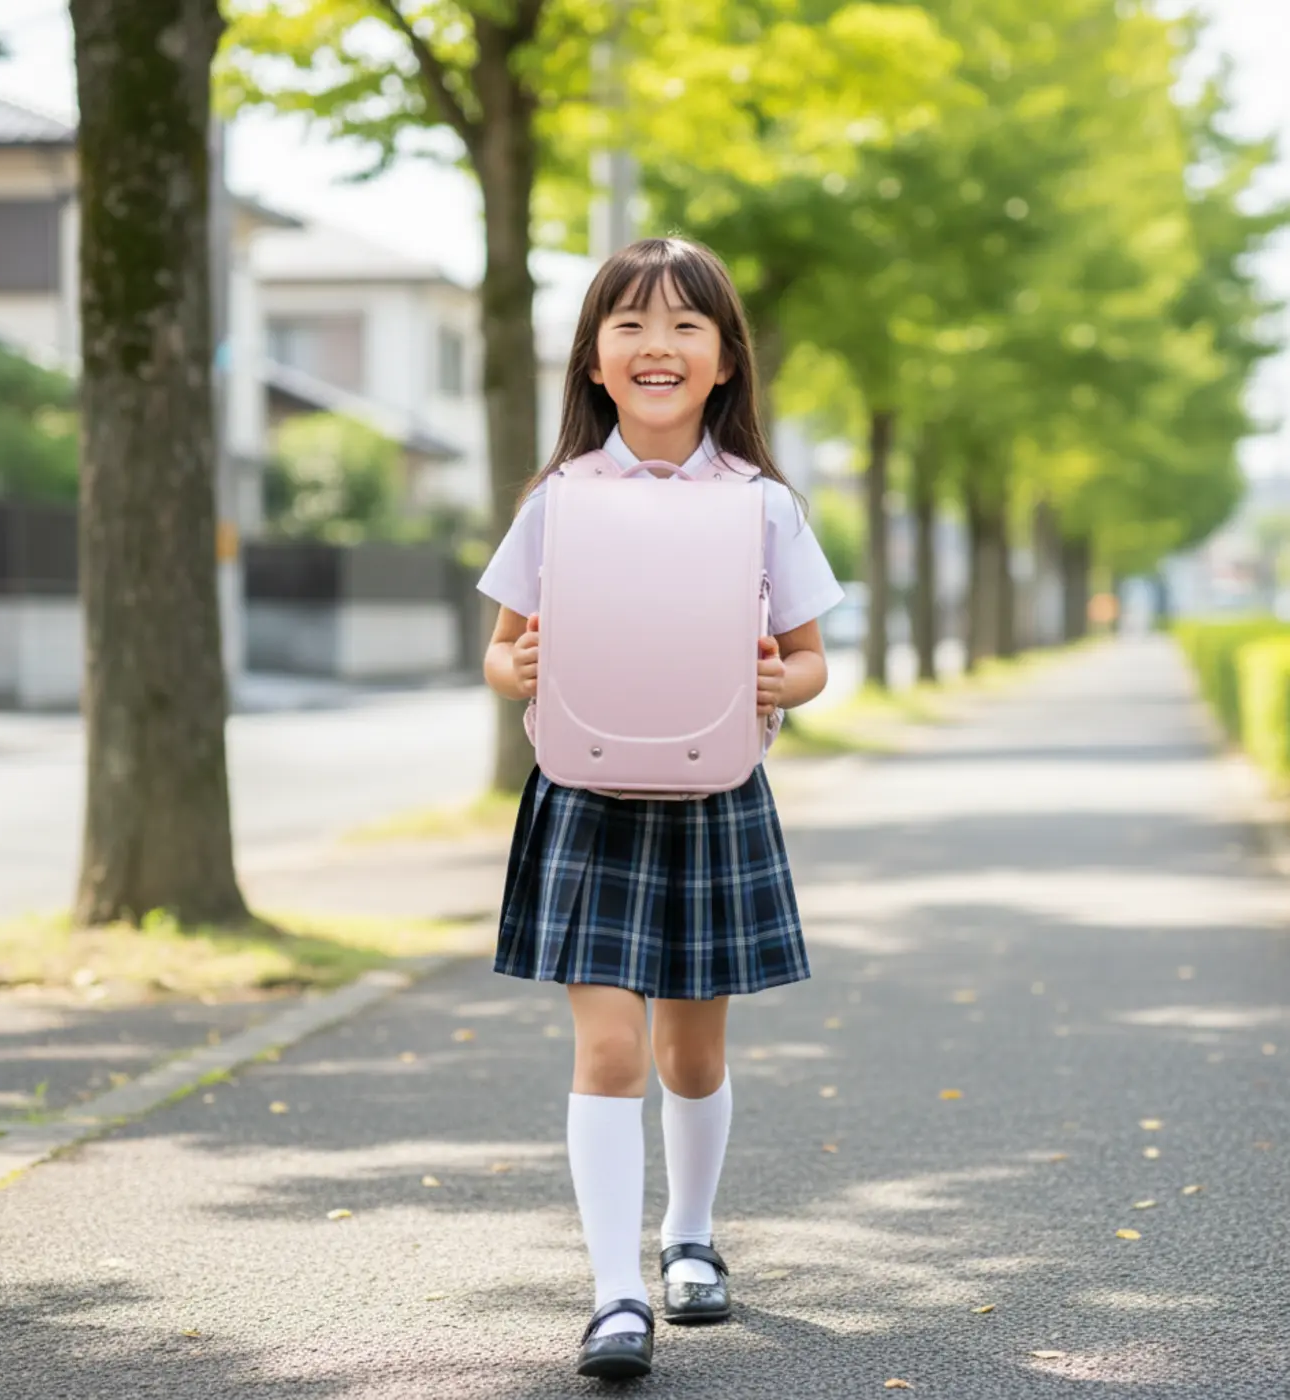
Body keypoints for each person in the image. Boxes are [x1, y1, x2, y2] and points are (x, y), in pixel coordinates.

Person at [477, 236, 844, 1380]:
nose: (656, 344)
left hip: (712, 790)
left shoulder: (761, 504)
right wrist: (519, 669)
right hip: (586, 792)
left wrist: (786, 683)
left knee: (690, 1051)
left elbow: (808, 655)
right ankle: (614, 1290)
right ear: (592, 361)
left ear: (725, 361)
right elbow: (498, 650)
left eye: (686, 325)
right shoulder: (558, 500)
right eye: (629, 323)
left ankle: (688, 1235)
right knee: (606, 1045)